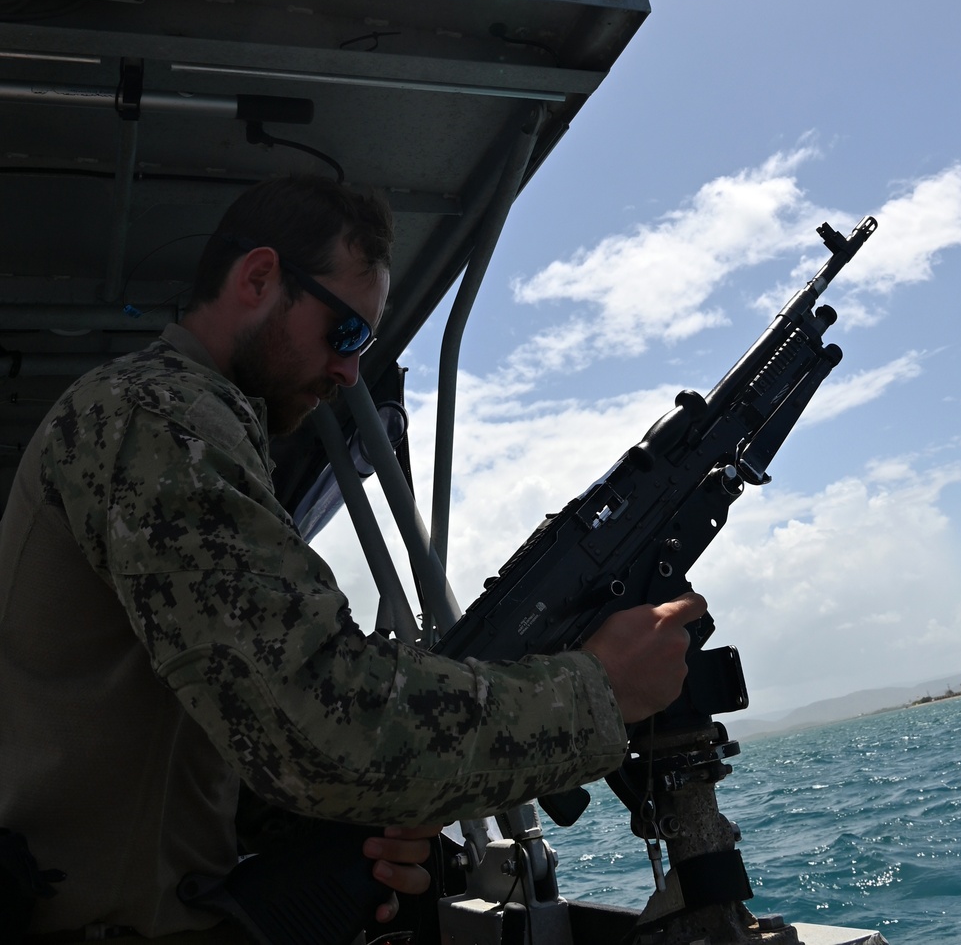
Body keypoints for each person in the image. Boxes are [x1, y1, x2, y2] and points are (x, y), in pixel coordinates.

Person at [0, 176, 706, 940]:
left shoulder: (185, 426)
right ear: (259, 279)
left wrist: (329, 835)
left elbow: (212, 730)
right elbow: (317, 716)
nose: (348, 374)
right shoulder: (157, 418)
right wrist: (600, 693)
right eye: (346, 335)